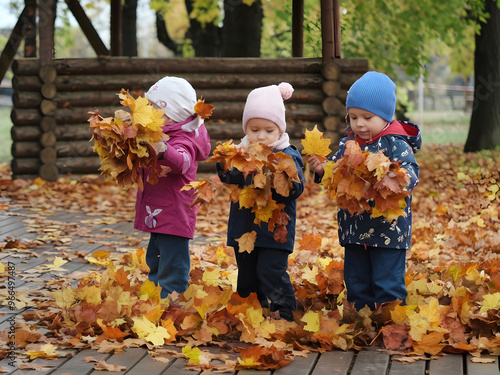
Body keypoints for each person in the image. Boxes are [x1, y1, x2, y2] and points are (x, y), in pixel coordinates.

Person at [308, 71, 421, 311]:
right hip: (354, 226)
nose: (359, 123)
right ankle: (361, 318)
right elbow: (334, 170)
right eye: (353, 117)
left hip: (388, 229)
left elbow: (411, 171)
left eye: (368, 117)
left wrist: (395, 176)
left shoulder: (395, 143)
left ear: (385, 117)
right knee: (357, 280)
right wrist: (321, 169)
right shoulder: (348, 144)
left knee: (386, 280)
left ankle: (391, 321)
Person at [216, 82, 305, 321]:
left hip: (276, 230)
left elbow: (296, 188)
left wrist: (277, 170)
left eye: (268, 130)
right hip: (244, 228)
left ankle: (284, 310)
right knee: (247, 275)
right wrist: (227, 163)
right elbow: (228, 176)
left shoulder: (289, 155)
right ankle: (251, 311)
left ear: (280, 130)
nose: (261, 136)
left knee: (271, 271)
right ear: (247, 130)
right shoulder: (241, 154)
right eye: (254, 130)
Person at [134, 76, 211, 299]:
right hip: (158, 210)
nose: (150, 117)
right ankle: (156, 297)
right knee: (155, 258)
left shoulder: (184, 138)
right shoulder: (159, 134)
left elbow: (182, 162)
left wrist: (163, 150)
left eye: (158, 113)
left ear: (174, 114)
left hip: (175, 212)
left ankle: (175, 301)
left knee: (173, 262)